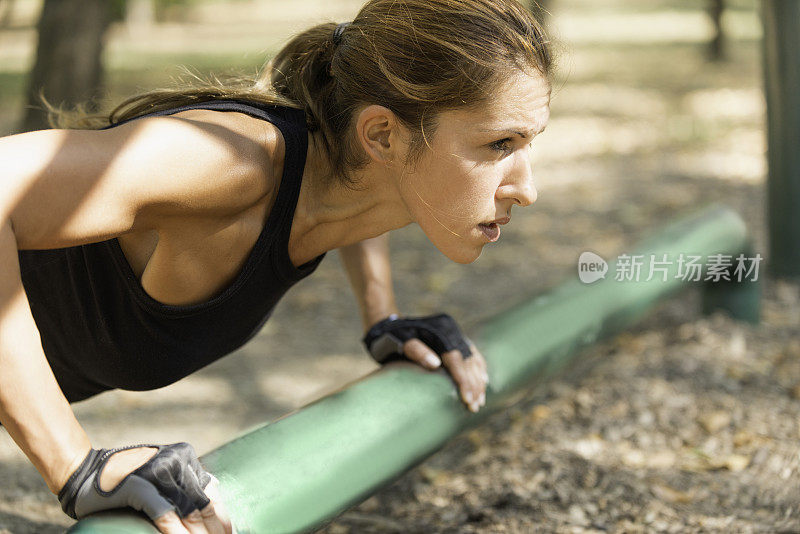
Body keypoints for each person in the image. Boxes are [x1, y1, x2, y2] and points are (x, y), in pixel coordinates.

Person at [0, 0, 553, 531]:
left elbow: (363, 199)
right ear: (383, 135)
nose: (527, 189)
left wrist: (382, 319)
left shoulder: (351, 179)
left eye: (529, 143)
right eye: (500, 143)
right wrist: (76, 467)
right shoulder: (227, 164)